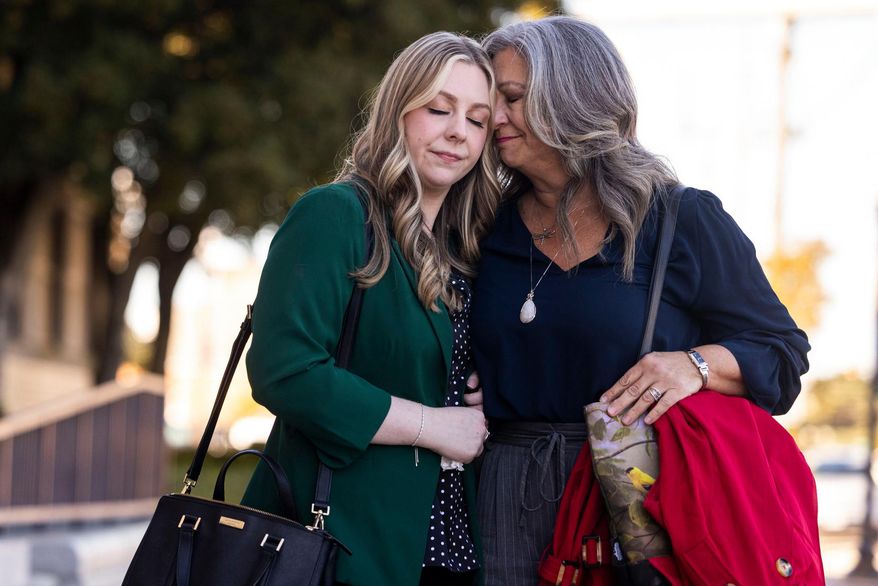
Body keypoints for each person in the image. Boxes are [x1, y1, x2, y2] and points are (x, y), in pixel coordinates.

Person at [470, 16, 810, 585]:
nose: (493, 118)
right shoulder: (480, 224)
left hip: (632, 494)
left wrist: (695, 366)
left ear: (572, 99)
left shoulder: (680, 219)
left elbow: (781, 354)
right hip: (500, 500)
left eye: (512, 99)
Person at [241, 32, 500, 586]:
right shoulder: (336, 215)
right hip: (339, 544)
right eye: (439, 109)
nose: (459, 130)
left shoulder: (466, 250)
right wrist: (433, 425)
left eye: (478, 119)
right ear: (398, 111)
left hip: (449, 549)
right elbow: (285, 372)